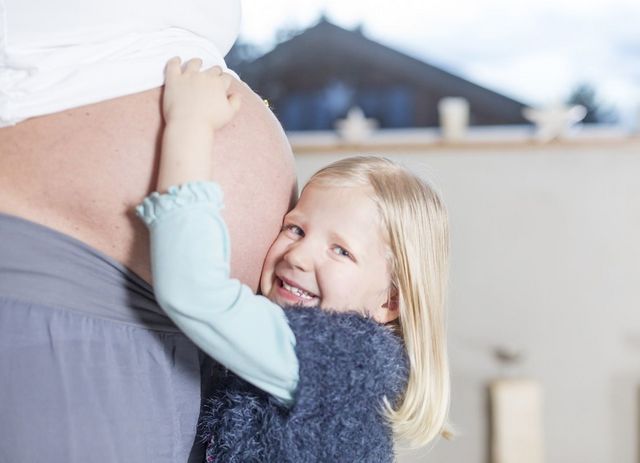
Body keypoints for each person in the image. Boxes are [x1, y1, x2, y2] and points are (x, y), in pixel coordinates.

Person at [0, 1, 295, 461]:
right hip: (61, 277)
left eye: (343, 251)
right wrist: (191, 125)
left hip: (183, 346)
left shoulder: (334, 362)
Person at [136, 58, 452, 461]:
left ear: (389, 302)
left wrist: (189, 126)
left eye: (341, 251)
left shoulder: (338, 359)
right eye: (296, 229)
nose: (299, 255)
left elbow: (196, 294)